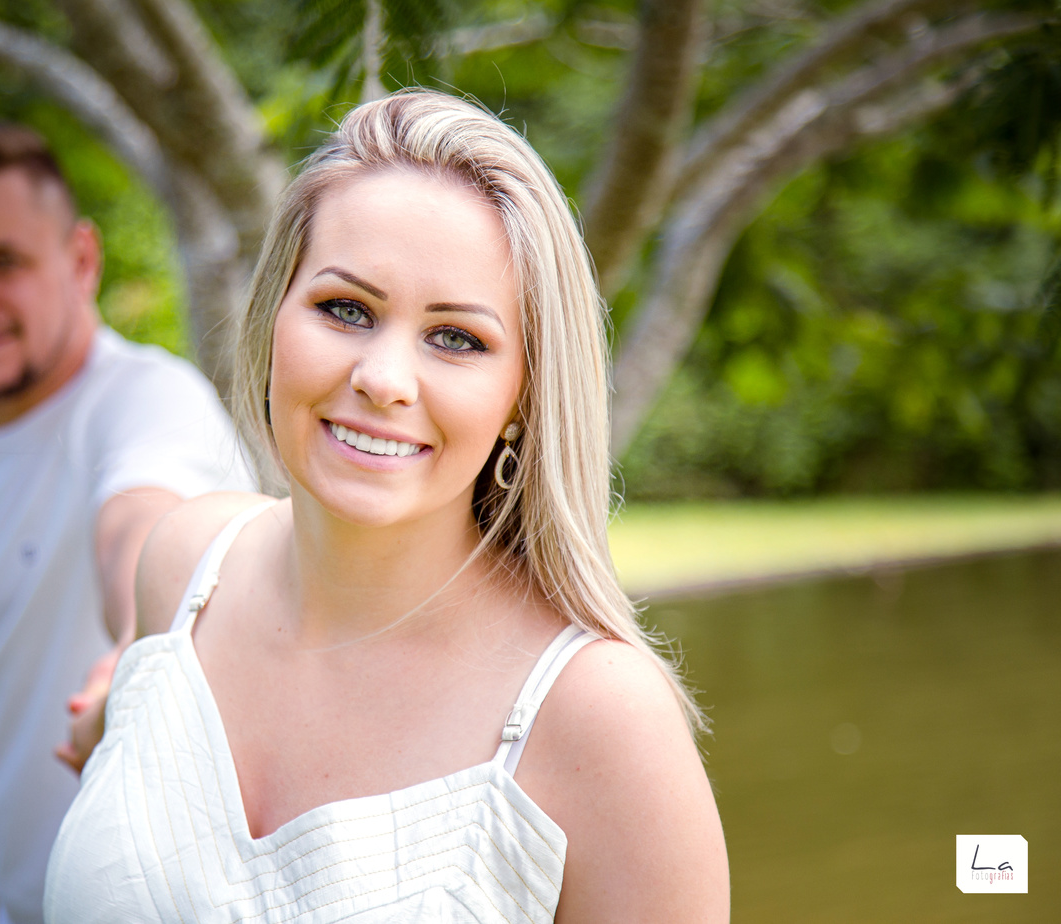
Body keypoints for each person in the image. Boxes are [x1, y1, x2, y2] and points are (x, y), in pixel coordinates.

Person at [44, 90, 730, 922]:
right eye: (346, 309)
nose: (383, 379)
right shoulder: (185, 567)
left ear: (523, 395)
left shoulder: (601, 718)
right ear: (273, 319)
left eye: (456, 338)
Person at [0, 121, 251, 924]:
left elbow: (140, 524)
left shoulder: (150, 401)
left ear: (82, 259)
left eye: (3, 262)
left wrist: (135, 644)